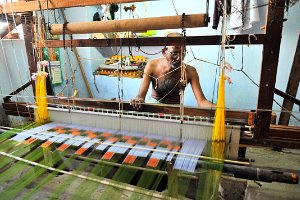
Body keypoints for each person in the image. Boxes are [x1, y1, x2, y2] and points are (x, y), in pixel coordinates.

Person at [130, 32, 214, 109]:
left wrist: (221, 109)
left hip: (176, 110)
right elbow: (141, 96)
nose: (179, 58)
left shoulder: (190, 72)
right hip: (154, 107)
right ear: (164, 52)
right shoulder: (152, 66)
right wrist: (138, 100)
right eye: (174, 53)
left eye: (183, 53)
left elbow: (202, 102)